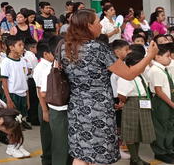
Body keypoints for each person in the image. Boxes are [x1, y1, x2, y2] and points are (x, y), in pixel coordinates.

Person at [61, 9, 157, 165]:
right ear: (88, 26)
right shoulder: (98, 48)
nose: (100, 26)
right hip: (98, 109)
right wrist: (149, 56)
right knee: (100, 154)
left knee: (81, 154)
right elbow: (128, 74)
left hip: (77, 107)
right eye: (97, 23)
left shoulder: (66, 48)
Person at [147, 45, 174, 163]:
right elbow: (158, 91)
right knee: (160, 127)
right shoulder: (155, 70)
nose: (170, 59)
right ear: (157, 57)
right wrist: (171, 104)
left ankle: (169, 149)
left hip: (168, 101)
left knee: (169, 125)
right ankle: (160, 152)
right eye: (167, 56)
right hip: (161, 102)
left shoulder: (163, 69)